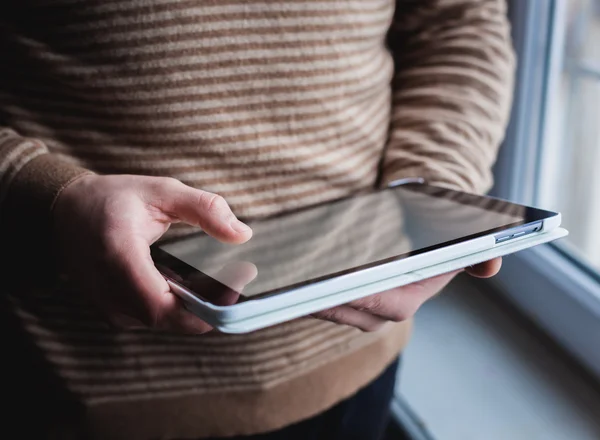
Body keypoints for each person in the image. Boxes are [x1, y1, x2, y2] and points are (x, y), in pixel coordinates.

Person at [0, 0, 513, 438]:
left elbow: (458, 22)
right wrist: (47, 195)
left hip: (356, 372)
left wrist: (437, 185)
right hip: (74, 386)